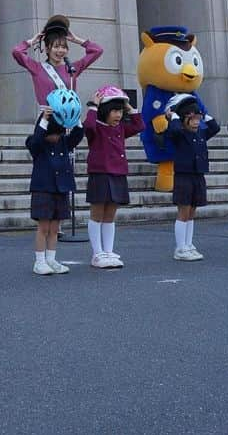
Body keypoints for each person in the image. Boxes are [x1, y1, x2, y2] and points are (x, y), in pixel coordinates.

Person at [83, 85, 144, 268]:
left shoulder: (121, 128)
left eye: (120, 111)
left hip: (118, 173)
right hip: (100, 174)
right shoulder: (97, 128)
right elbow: (88, 125)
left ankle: (108, 251)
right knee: (97, 214)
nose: (118, 115)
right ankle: (97, 253)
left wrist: (129, 107)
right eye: (114, 111)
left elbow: (139, 125)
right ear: (104, 111)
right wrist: (94, 106)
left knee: (110, 215)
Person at [26, 90, 85, 275]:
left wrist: (75, 116)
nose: (56, 137)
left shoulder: (64, 142)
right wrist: (44, 119)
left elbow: (78, 134)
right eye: (53, 134)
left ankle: (51, 259)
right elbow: (36, 138)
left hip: (61, 188)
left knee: (54, 228)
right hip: (43, 189)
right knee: (43, 227)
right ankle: (39, 261)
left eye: (59, 133)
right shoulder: (37, 144)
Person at [164, 94, 221, 261]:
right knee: (183, 211)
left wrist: (202, 111)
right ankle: (180, 247)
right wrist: (174, 115)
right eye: (193, 119)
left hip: (198, 174)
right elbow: (173, 129)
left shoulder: (201, 133)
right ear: (183, 120)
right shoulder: (178, 133)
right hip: (184, 176)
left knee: (192, 211)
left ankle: (188, 244)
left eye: (198, 118)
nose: (197, 122)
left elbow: (215, 127)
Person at [11, 14, 103, 107]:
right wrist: (32, 41)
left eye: (63, 47)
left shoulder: (72, 68)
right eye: (56, 47)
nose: (60, 50)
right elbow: (17, 52)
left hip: (70, 119)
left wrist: (76, 40)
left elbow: (97, 51)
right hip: (47, 119)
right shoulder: (37, 68)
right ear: (47, 49)